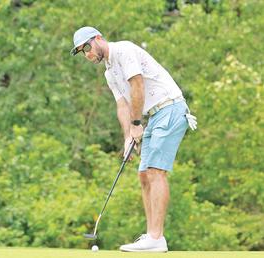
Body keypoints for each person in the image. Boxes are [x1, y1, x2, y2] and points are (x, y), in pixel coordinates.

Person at [71, 27, 197, 252]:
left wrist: (137, 125)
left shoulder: (124, 50)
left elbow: (137, 85)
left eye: (87, 47)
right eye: (82, 52)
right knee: (143, 174)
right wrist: (128, 136)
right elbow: (123, 105)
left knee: (155, 171)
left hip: (170, 108)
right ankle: (152, 236)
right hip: (153, 115)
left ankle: (156, 238)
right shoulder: (109, 73)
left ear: (98, 39)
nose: (88, 54)